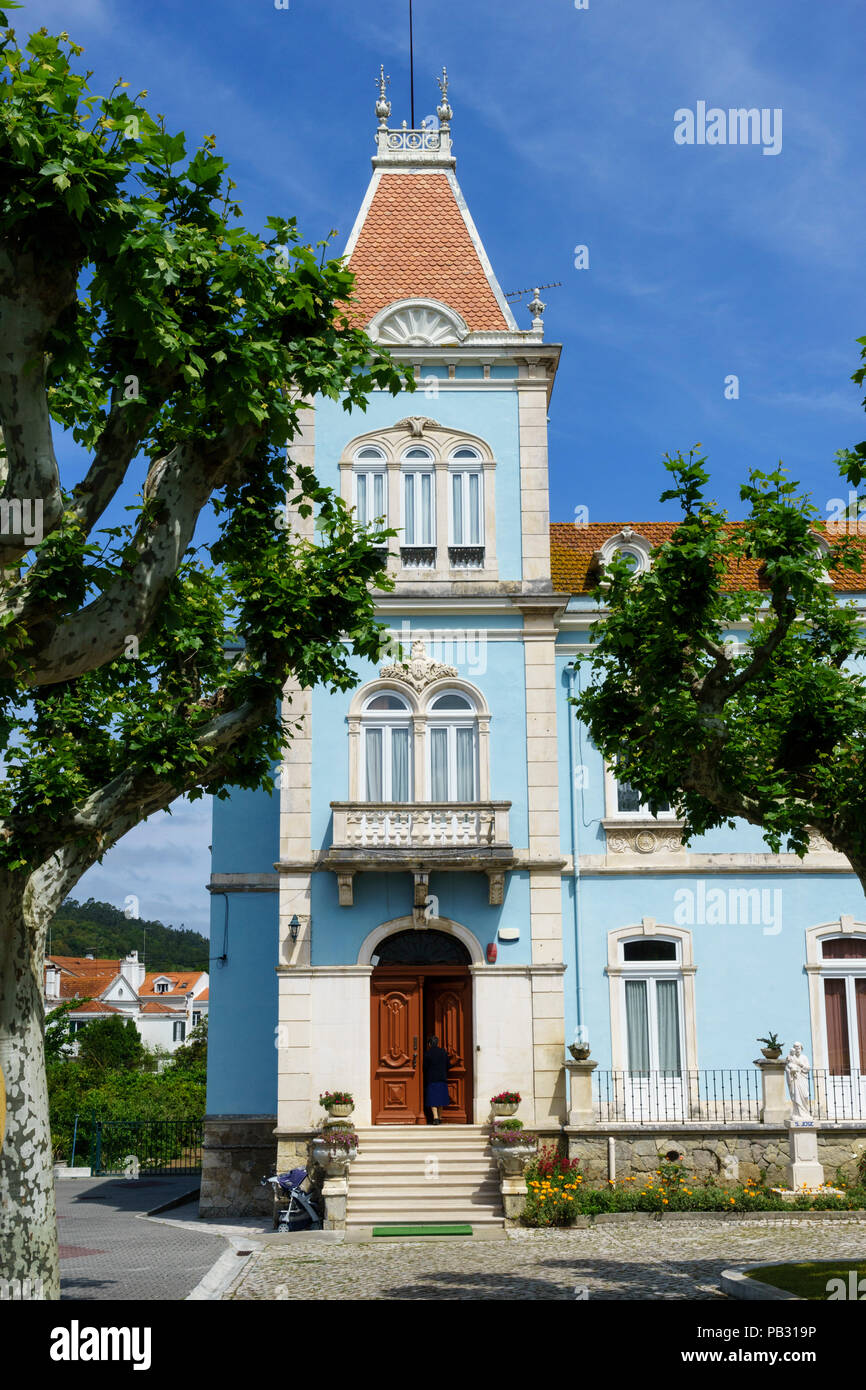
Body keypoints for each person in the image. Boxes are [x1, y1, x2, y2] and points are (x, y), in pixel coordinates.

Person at [423, 1035, 450, 1125]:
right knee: (441, 1099)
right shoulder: (443, 1052)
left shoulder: (427, 1053)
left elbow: (425, 1067)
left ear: (430, 1044)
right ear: (437, 1043)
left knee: (433, 1099)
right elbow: (448, 1065)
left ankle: (436, 1118)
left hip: (432, 1078)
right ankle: (440, 1117)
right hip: (442, 1078)